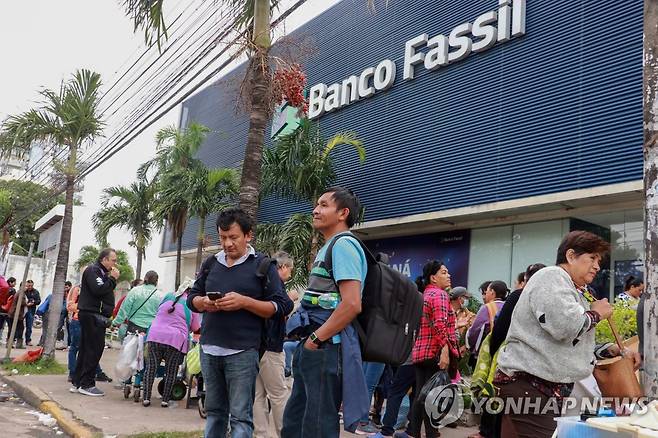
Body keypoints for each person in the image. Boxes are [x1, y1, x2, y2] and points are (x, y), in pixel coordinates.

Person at [495, 231, 641, 438]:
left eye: (598, 260)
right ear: (571, 256)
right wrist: (597, 313)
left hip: (542, 387)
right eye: (592, 258)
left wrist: (607, 349)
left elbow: (571, 339)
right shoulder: (552, 276)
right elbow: (564, 326)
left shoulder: (574, 288)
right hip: (529, 384)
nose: (597, 266)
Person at [187, 207, 292, 438]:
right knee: (214, 413)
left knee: (241, 416)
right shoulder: (211, 264)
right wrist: (202, 302)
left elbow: (283, 306)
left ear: (248, 235)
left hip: (243, 352)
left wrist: (245, 302)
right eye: (223, 238)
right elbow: (192, 297)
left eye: (233, 237)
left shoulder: (263, 265)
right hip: (209, 349)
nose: (227, 244)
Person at [282, 186, 369, 437]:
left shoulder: (343, 246)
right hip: (315, 344)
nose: (315, 210)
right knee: (298, 419)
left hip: (326, 346)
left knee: (317, 424)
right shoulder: (329, 247)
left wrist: (315, 339)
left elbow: (352, 303)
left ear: (342, 213)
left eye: (323, 205)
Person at [394, 260, 457, 438]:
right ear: (433, 278)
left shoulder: (424, 295)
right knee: (431, 396)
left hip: (421, 352)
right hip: (435, 352)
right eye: (444, 272)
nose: (448, 275)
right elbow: (439, 324)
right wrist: (445, 351)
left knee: (422, 394)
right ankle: (426, 432)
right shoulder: (439, 295)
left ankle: (415, 432)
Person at [253, 251, 295, 438]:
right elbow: (280, 311)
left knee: (257, 396)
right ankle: (284, 434)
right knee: (279, 395)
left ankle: (259, 434)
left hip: (255, 346)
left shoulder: (260, 284)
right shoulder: (278, 288)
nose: (290, 274)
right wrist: (291, 300)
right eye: (290, 269)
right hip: (271, 347)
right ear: (283, 267)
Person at [142, 277, 201, 407]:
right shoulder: (192, 303)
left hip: (155, 335)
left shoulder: (168, 295)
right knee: (171, 370)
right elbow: (196, 327)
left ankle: (146, 398)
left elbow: (159, 311)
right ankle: (165, 400)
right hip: (175, 340)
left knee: (151, 368)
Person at [71, 248, 120, 397]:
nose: (115, 263)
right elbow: (98, 289)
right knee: (94, 349)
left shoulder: (102, 273)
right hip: (92, 315)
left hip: (94, 315)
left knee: (86, 349)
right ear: (104, 259)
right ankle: (87, 384)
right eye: (113, 260)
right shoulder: (94, 270)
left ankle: (78, 381)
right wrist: (112, 279)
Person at [66, 282, 112, 384]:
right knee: (75, 347)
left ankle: (97, 372)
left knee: (91, 348)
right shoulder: (77, 289)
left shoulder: (95, 290)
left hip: (91, 322)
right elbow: (70, 305)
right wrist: (86, 307)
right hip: (78, 321)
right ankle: (73, 373)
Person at [466, 280, 507, 360]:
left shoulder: (487, 308)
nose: (484, 296)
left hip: (488, 351)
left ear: (492, 292)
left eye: (486, 292)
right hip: (505, 351)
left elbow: (475, 330)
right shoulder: (508, 306)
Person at [23, 280, 41, 346]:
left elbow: (38, 301)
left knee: (29, 326)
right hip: (23, 309)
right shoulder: (24, 291)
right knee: (19, 326)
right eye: (28, 285)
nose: (30, 287)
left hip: (31, 310)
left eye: (31, 286)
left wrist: (33, 302)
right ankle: (17, 339)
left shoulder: (35, 292)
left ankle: (28, 340)